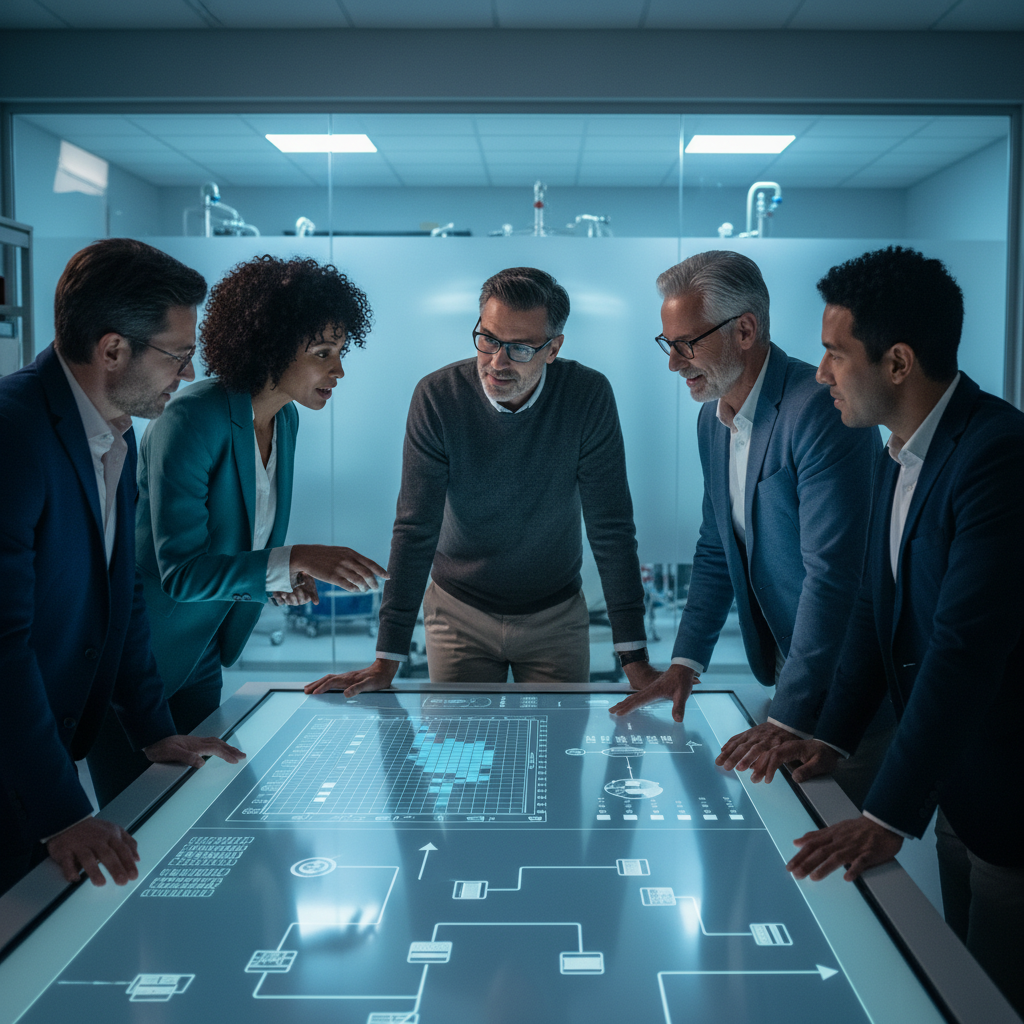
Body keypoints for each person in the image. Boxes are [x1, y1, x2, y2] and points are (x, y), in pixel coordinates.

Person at [754, 246, 1024, 1016]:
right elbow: (877, 618)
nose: (820, 374)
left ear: (898, 362)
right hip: (961, 786)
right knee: (957, 973)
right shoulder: (894, 454)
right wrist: (833, 738)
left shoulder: (998, 456)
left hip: (1011, 792)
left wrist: (885, 815)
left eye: (835, 354)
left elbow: (963, 651)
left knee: (992, 996)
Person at [87, 255, 388, 807]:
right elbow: (181, 573)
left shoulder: (285, 419)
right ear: (271, 348)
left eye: (341, 352)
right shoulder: (190, 418)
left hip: (202, 650)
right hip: (140, 663)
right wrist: (295, 557)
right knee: (141, 824)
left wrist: (277, 578)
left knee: (206, 810)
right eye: (323, 353)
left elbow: (237, 543)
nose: (338, 371)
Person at [0, 238, 245, 898]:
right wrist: (64, 813)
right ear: (112, 350)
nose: (187, 372)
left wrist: (154, 731)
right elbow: (2, 645)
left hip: (40, 757)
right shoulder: (13, 434)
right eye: (177, 354)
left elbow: (123, 597)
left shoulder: (117, 431)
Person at [610, 250, 890, 809]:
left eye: (688, 343)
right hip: (794, 663)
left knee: (832, 838)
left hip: (851, 678)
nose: (674, 363)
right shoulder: (712, 420)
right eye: (668, 344)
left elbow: (834, 575)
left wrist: (788, 716)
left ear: (744, 330)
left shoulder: (820, 409)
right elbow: (717, 547)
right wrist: (686, 663)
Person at [306, 266, 654, 694]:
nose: (497, 362)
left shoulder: (587, 395)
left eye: (520, 348)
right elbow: (415, 527)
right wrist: (386, 657)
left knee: (559, 737)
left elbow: (611, 528)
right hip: (458, 613)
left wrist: (635, 659)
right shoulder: (438, 396)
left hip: (556, 615)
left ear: (553, 348)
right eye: (488, 339)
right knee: (458, 739)